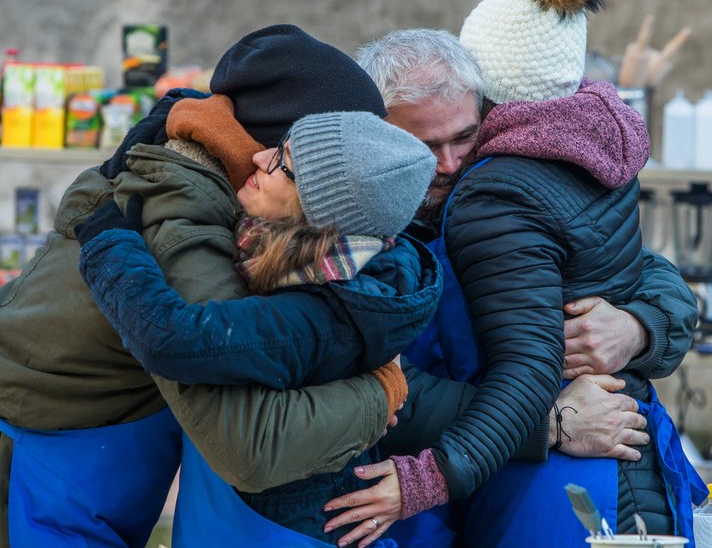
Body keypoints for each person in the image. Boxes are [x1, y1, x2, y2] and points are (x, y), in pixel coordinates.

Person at [0, 25, 422, 547]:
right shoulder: (188, 215)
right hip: (7, 490)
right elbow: (245, 443)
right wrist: (381, 392)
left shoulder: (186, 161)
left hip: (8, 465)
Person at [325, 0, 705, 548]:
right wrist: (551, 423)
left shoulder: (503, 190)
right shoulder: (348, 232)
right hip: (420, 485)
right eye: (423, 146)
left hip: (537, 486)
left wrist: (635, 328)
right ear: (376, 136)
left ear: (490, 112)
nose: (448, 163)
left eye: (464, 137)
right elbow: (382, 389)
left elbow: (648, 274)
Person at [75, 110, 439, 545]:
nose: (261, 158)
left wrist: (108, 245)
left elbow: (173, 338)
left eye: (284, 163)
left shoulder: (319, 313)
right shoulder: (332, 271)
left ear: (319, 206)